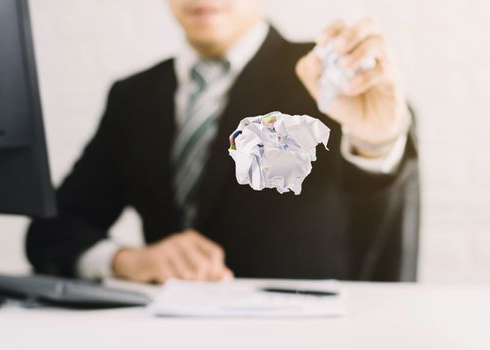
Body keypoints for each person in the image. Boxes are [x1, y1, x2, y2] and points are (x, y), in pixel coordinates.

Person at [26, 0, 420, 283]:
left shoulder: (325, 80)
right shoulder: (134, 96)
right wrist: (125, 260)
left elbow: (373, 192)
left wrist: (379, 142)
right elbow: (52, 230)